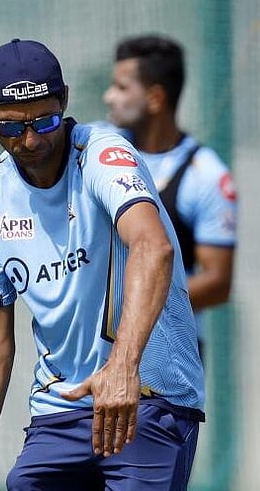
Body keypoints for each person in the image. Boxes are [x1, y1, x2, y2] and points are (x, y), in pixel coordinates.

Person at [0, 38, 205, 491]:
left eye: (44, 121)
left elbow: (152, 247)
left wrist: (124, 367)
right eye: (11, 127)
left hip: (146, 398)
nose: (29, 140)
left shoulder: (105, 155)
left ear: (63, 102)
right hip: (60, 411)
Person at [100, 34, 237, 361]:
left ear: (155, 98)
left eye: (121, 88)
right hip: (95, 351)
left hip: (168, 359)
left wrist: (133, 304)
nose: (109, 97)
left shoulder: (205, 175)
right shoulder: (97, 149)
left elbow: (218, 282)